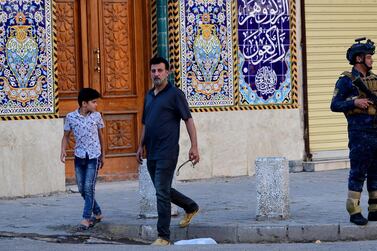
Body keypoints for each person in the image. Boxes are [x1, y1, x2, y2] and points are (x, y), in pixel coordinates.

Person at [136, 56, 200, 245]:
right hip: (151, 152)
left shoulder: (175, 94)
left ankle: (163, 236)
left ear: (168, 72)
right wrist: (140, 146)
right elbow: (146, 123)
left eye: (160, 70)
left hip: (168, 151)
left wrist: (194, 146)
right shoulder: (149, 95)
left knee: (161, 193)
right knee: (162, 190)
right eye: (154, 71)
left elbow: (188, 120)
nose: (156, 74)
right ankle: (191, 206)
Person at [331, 37, 377, 225]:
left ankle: (374, 209)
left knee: (375, 172)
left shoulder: (374, 80)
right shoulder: (346, 81)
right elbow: (334, 105)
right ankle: (354, 210)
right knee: (359, 172)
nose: (371, 60)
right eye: (368, 57)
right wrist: (354, 102)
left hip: (375, 131)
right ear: (359, 59)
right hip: (359, 133)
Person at [60, 88, 105, 230]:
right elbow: (66, 136)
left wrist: (103, 154)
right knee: (81, 189)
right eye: (94, 102)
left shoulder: (97, 116)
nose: (96, 104)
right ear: (84, 103)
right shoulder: (71, 117)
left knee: (89, 187)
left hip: (94, 156)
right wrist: (62, 150)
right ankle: (97, 213)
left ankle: (86, 218)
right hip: (79, 156)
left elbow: (101, 136)